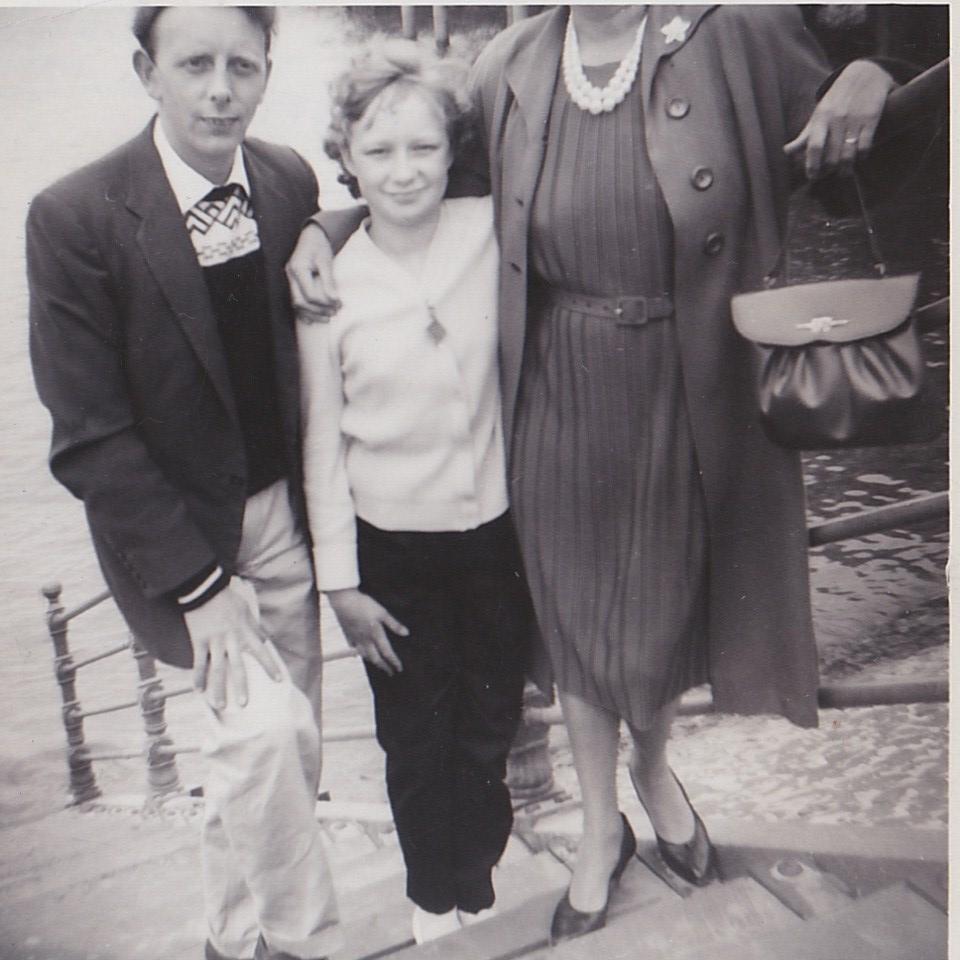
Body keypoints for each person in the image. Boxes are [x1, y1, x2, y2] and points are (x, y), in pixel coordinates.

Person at [287, 4, 903, 947]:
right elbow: (418, 179)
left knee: (655, 605)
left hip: (681, 374)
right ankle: (598, 822)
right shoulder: (510, 62)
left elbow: (863, 143)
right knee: (573, 613)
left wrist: (873, 72)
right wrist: (324, 229)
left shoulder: (731, 31)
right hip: (553, 383)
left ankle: (655, 773)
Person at [27, 8, 340, 960]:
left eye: (242, 66)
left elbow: (368, 192)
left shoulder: (286, 176)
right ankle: (307, 943)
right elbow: (90, 438)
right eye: (194, 64)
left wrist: (330, 224)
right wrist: (199, 588)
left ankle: (228, 937)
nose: (219, 89)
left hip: (281, 514)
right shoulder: (75, 216)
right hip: (181, 534)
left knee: (278, 756)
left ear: (266, 72)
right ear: (145, 71)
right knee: (264, 739)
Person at [298, 40, 533, 945]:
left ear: (455, 152)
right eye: (381, 151)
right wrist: (341, 585)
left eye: (424, 149)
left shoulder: (488, 230)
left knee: (490, 724)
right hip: (392, 548)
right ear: (347, 159)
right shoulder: (330, 288)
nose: (404, 171)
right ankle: (437, 906)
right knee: (414, 738)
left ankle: (472, 874)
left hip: (494, 538)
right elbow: (322, 441)